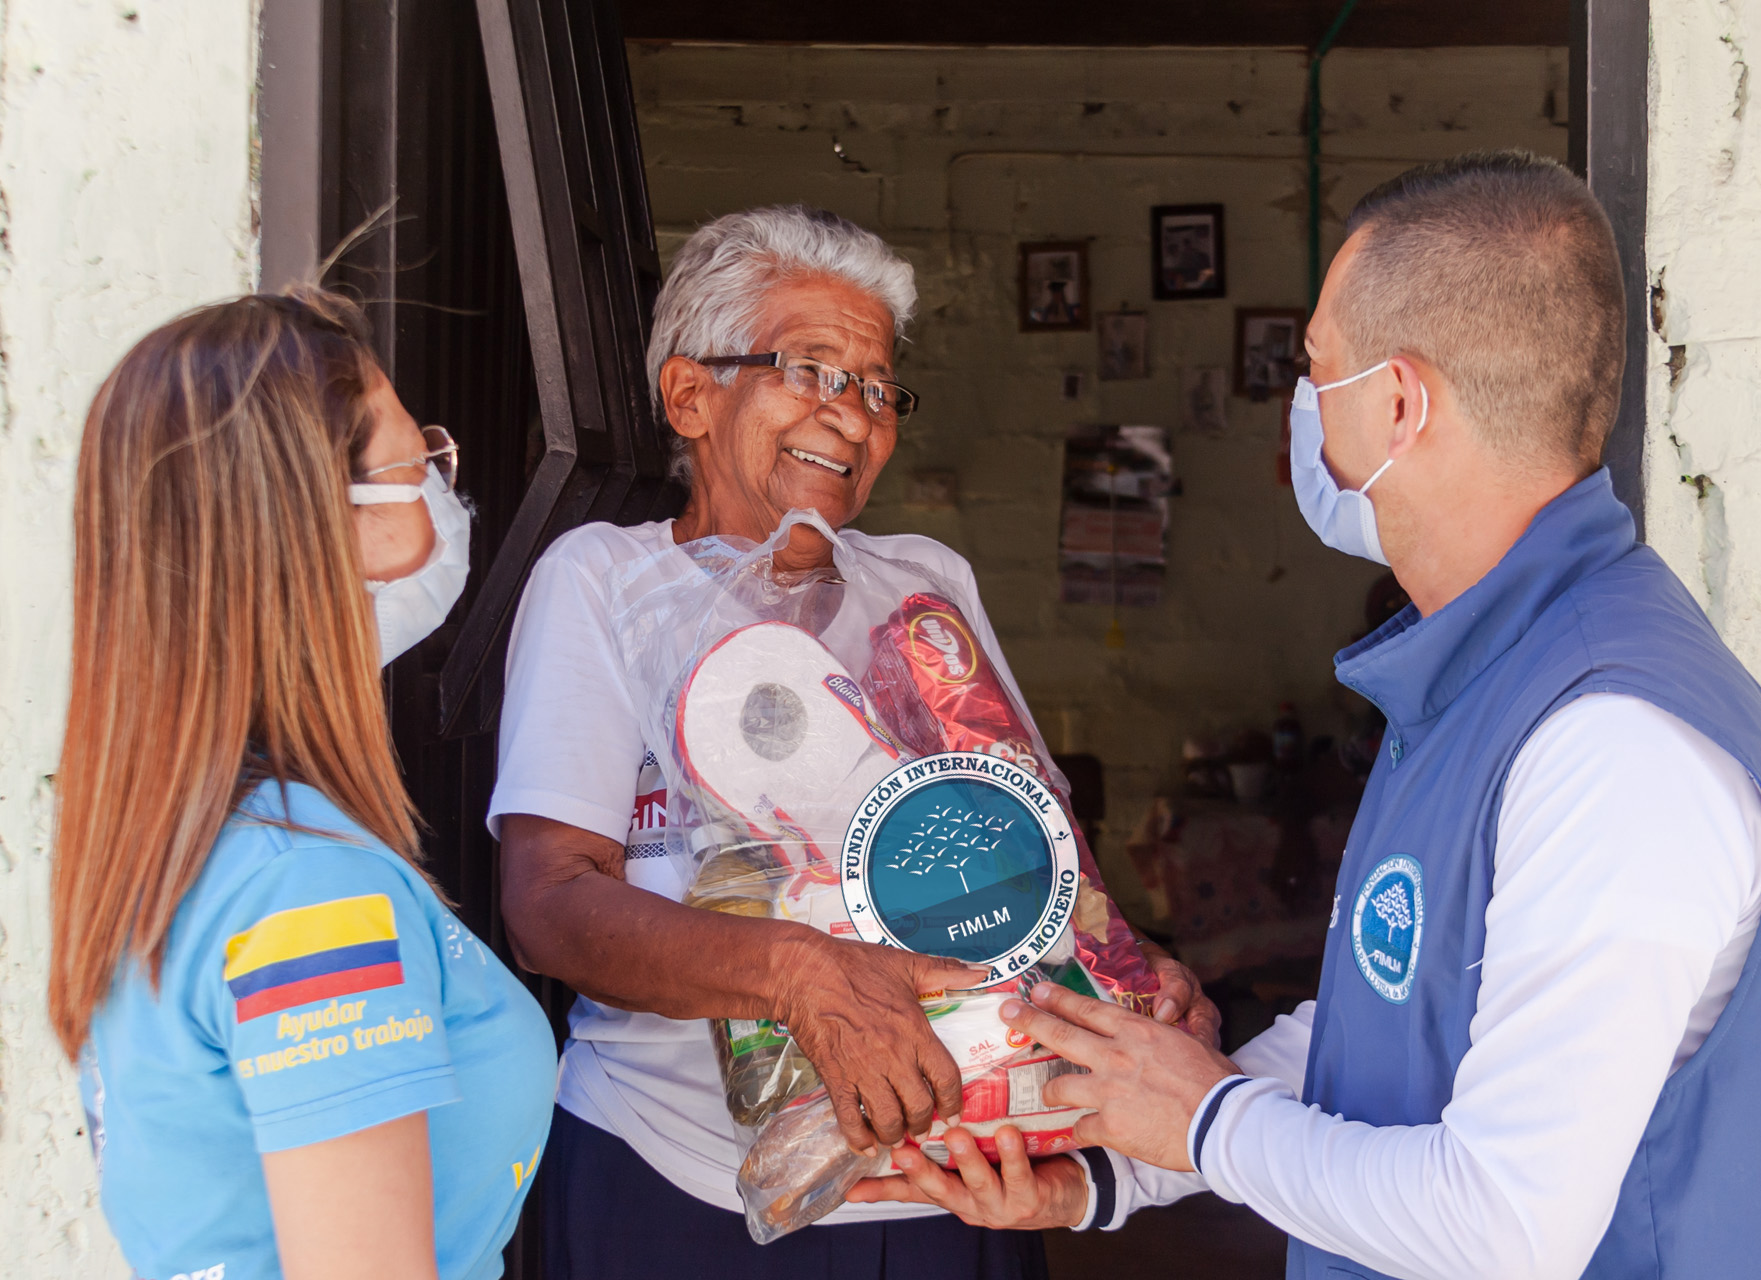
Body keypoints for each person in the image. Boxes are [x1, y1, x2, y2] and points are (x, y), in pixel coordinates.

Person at [854, 151, 1761, 1280]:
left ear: (1401, 401)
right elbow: (1383, 1025)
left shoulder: (1611, 743)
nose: (1303, 409)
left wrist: (1207, 1118)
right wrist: (1114, 1163)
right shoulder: (1486, 670)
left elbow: (1505, 1226)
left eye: (1314, 367)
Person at [487, 204, 1213, 1279]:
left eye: (876, 389)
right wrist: (805, 978)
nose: (853, 413)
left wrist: (1127, 972)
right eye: (811, 368)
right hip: (684, 1181)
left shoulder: (921, 587)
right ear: (690, 393)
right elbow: (549, 902)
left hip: (957, 1171)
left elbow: (1025, 853)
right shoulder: (605, 583)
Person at [48, 289, 557, 1280]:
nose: (448, 501)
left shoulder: (177, 841)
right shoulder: (306, 890)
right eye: (421, 469)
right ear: (312, 527)